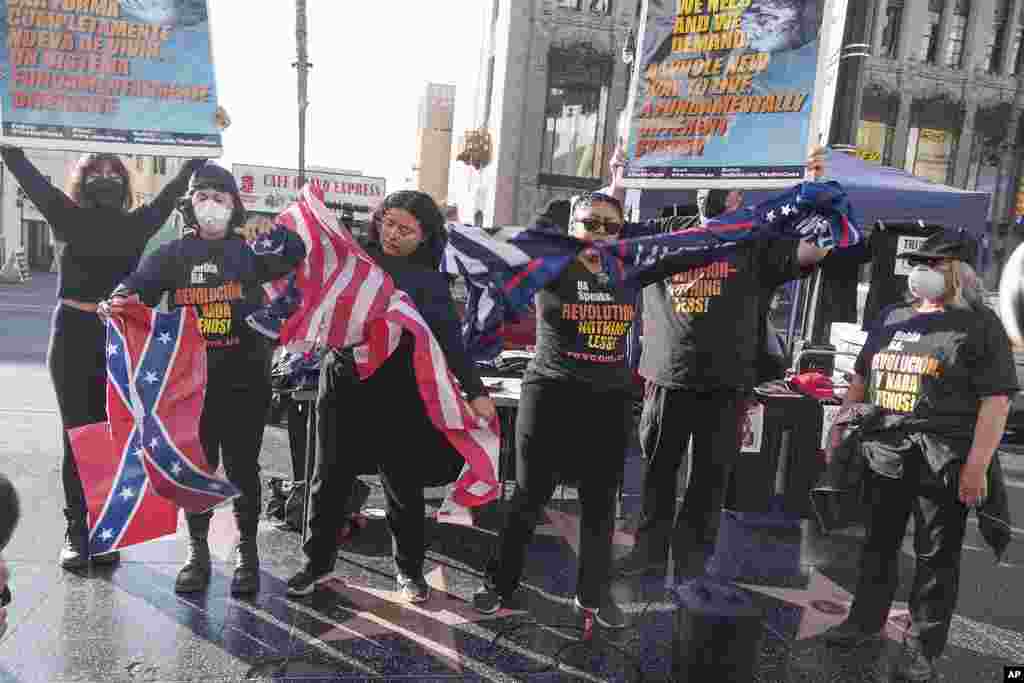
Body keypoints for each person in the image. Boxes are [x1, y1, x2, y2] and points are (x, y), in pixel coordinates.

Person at [471, 190, 754, 628]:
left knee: (601, 505)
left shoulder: (628, 266)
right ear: (571, 227)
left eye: (610, 224)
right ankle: (500, 583)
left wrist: (738, 221)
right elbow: (512, 242)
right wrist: (614, 183)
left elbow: (691, 248)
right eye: (590, 223)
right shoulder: (549, 264)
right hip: (550, 394)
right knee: (528, 498)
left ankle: (592, 595)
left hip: (609, 400)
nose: (600, 232)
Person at [611, 152, 830, 579]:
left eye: (723, 186)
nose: (710, 192)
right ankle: (648, 553)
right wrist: (618, 181)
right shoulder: (664, 233)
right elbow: (604, 231)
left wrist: (816, 189)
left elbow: (813, 250)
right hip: (666, 378)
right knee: (657, 473)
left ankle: (693, 560)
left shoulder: (755, 241)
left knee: (710, 480)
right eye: (702, 183)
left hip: (727, 382)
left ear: (737, 197)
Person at [102, 162, 307, 596]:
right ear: (189, 207)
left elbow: (296, 252)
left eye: (220, 198)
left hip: (245, 377)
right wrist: (119, 298)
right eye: (202, 197)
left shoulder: (250, 251)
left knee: (242, 468)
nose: (210, 205)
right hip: (189, 384)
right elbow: (138, 283)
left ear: (234, 207)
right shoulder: (174, 254)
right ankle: (197, 552)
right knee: (196, 467)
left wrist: (261, 227)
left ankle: (247, 553)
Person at [0, 146, 208, 569]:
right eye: (96, 169)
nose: (106, 175)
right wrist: (11, 147)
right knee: (77, 435)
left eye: (115, 170)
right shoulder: (64, 213)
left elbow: (169, 195)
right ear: (82, 177)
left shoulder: (138, 223)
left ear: (125, 181)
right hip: (73, 336)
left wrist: (191, 161)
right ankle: (77, 531)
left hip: (118, 335)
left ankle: (105, 529)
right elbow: (29, 177)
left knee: (112, 435)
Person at [821, 232, 1016, 681]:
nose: (920, 270)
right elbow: (861, 376)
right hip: (885, 451)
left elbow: (996, 402)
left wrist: (976, 467)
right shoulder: (894, 316)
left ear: (959, 273)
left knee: (936, 557)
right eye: (917, 261)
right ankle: (863, 622)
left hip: (943, 457)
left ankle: (921, 647)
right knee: (877, 545)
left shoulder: (980, 325)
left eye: (933, 263)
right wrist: (843, 423)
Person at [286, 191, 496, 602]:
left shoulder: (430, 281)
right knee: (326, 478)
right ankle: (316, 563)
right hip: (342, 379)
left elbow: (452, 341)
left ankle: (409, 571)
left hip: (401, 388)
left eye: (406, 229)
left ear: (425, 236)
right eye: (388, 222)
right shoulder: (352, 258)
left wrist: (476, 391)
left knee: (402, 484)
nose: (393, 234)